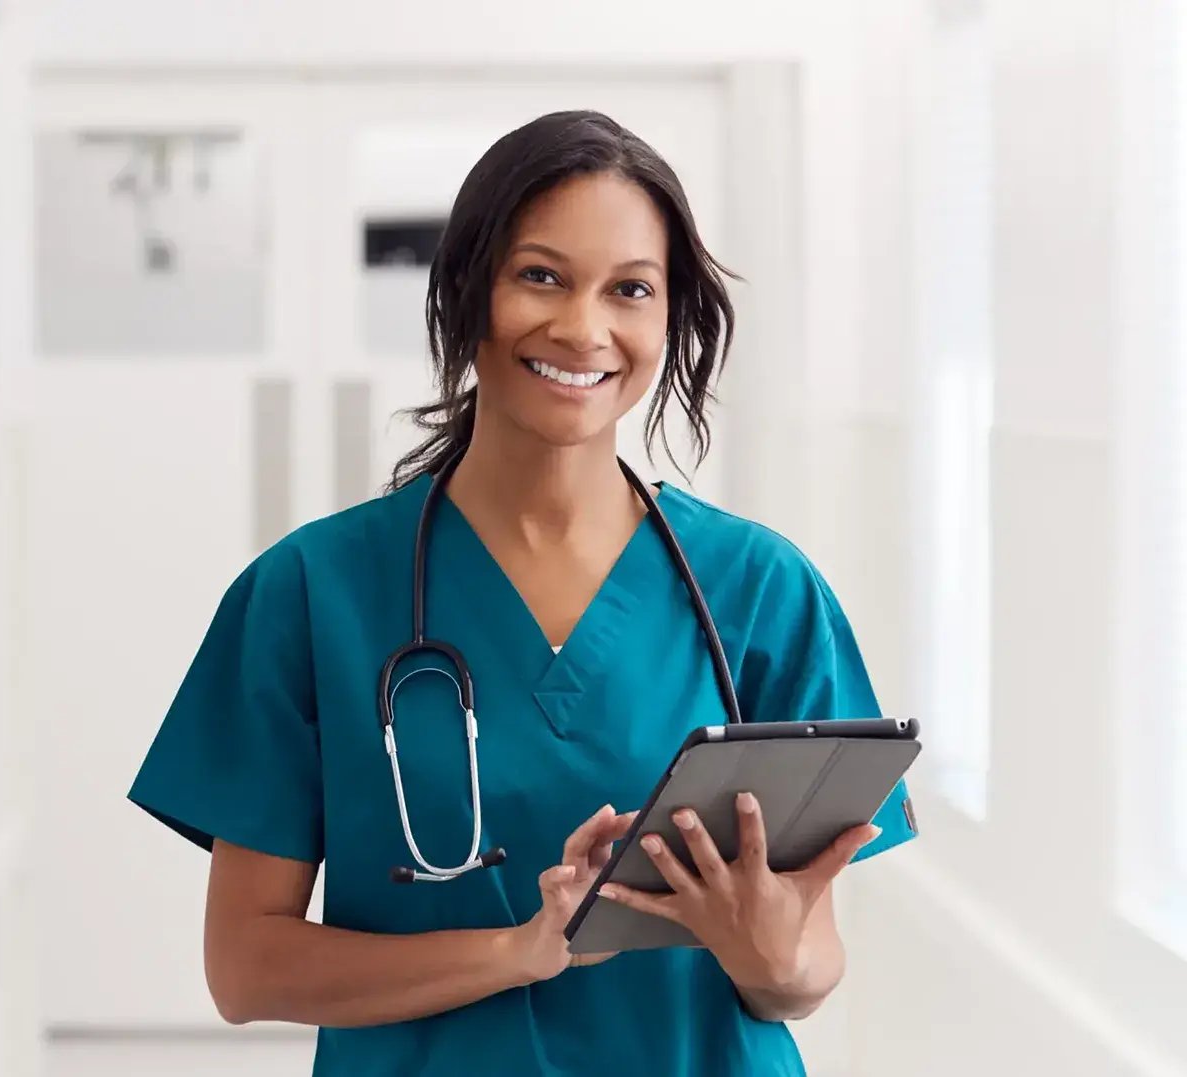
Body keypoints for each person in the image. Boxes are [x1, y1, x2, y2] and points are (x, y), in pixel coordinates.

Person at [125, 110, 917, 1076]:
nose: (583, 328)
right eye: (541, 275)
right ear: (468, 290)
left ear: (669, 319)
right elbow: (246, 968)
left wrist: (771, 951)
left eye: (629, 289)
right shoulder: (308, 594)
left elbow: (806, 970)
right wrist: (521, 949)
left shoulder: (759, 592)